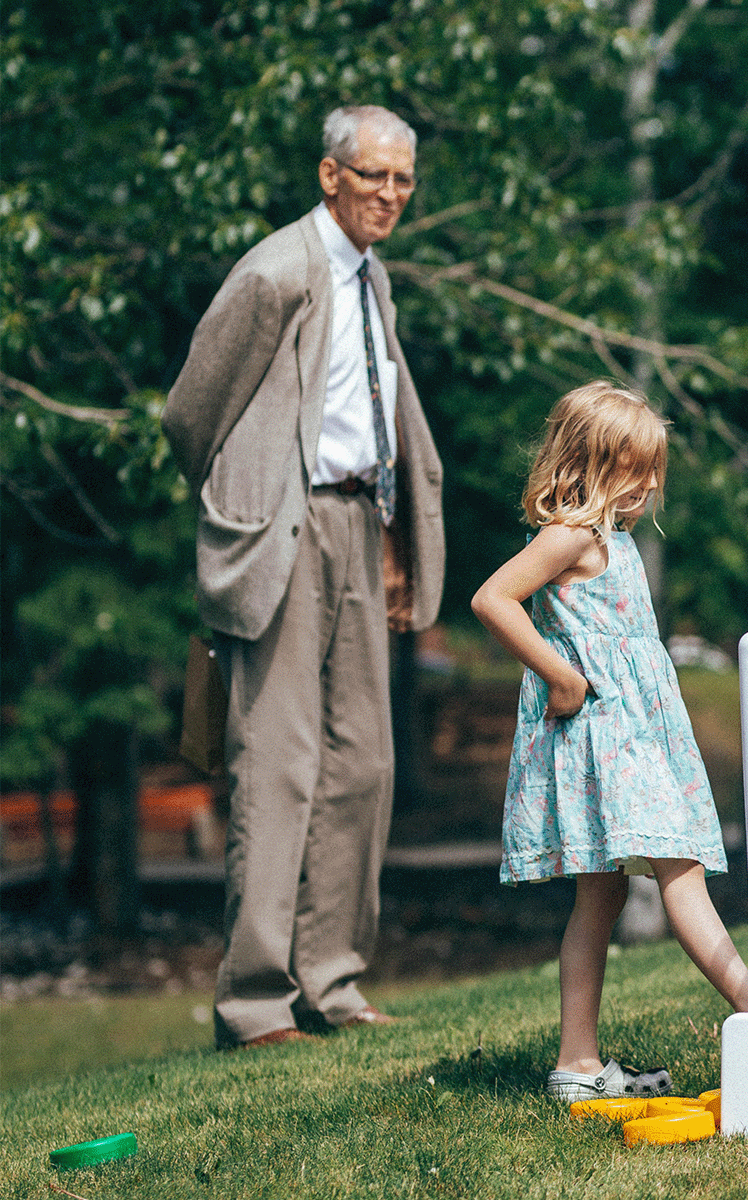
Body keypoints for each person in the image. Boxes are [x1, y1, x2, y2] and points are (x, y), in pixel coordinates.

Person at [162, 105, 445, 1049]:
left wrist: (397, 532)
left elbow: (374, 412)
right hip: (284, 532)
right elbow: (191, 413)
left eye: (404, 180)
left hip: (362, 524)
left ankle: (332, 981)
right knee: (276, 764)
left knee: (365, 758)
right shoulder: (277, 269)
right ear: (331, 176)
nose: (392, 195)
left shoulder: (374, 275)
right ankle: (252, 1002)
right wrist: (244, 503)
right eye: (375, 178)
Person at [471, 381, 748, 1102]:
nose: (652, 485)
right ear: (593, 463)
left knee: (598, 899)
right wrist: (562, 678)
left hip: (633, 734)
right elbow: (492, 599)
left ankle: (577, 1064)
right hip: (604, 737)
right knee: (679, 870)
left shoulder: (613, 541)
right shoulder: (571, 535)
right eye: (638, 469)